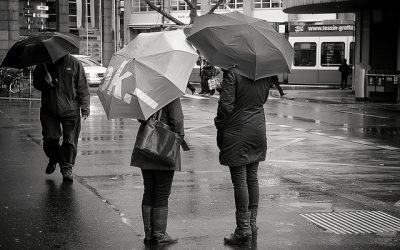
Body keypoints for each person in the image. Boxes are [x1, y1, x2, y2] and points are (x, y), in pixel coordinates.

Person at [214, 69, 271, 247]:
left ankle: (242, 230)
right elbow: (260, 99)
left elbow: (226, 106)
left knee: (240, 181)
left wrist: (219, 123)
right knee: (252, 178)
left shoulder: (233, 73)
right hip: (257, 128)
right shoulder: (264, 73)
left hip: (238, 130)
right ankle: (251, 225)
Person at [131, 98, 185, 246]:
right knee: (161, 191)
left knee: (149, 190)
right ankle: (160, 235)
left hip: (146, 141)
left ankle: (149, 234)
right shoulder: (170, 92)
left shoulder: (143, 90)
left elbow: (140, 118)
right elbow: (177, 120)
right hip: (164, 144)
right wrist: (179, 138)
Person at [33, 54, 90, 182]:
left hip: (71, 110)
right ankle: (53, 157)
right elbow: (36, 84)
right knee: (50, 138)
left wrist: (85, 107)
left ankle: (67, 169)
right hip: (49, 109)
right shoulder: (43, 64)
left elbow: (82, 87)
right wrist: (44, 81)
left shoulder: (75, 64)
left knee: (70, 141)